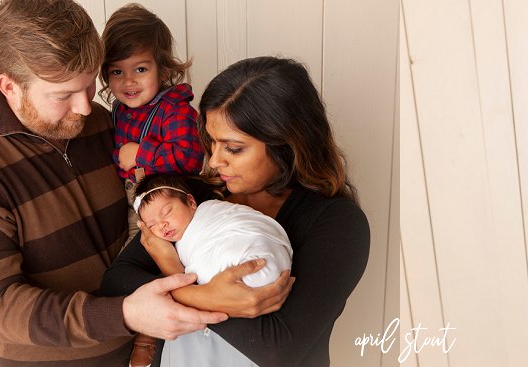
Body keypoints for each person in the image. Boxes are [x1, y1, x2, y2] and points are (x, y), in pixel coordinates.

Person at [0, 1, 286, 365]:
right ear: (10, 86)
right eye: (63, 95)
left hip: (152, 352)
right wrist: (124, 314)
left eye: (89, 85)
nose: (84, 108)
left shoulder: (100, 122)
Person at [100, 56, 371, 367]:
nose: (214, 161)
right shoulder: (193, 197)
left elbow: (276, 348)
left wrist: (173, 274)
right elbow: (116, 281)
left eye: (233, 148)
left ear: (286, 143)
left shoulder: (337, 224)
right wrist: (205, 296)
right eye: (212, 142)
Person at [129, 174, 294, 366]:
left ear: (191, 202)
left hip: (256, 255)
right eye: (151, 226)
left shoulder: (211, 213)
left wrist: (175, 278)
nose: (161, 225)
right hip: (265, 277)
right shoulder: (172, 244)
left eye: (167, 212)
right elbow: (115, 280)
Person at [100, 3, 205, 241]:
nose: (128, 81)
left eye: (140, 69)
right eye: (117, 72)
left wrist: (140, 154)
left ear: (164, 70)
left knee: (145, 251)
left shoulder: (175, 110)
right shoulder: (118, 111)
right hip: (132, 202)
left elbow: (190, 159)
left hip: (168, 208)